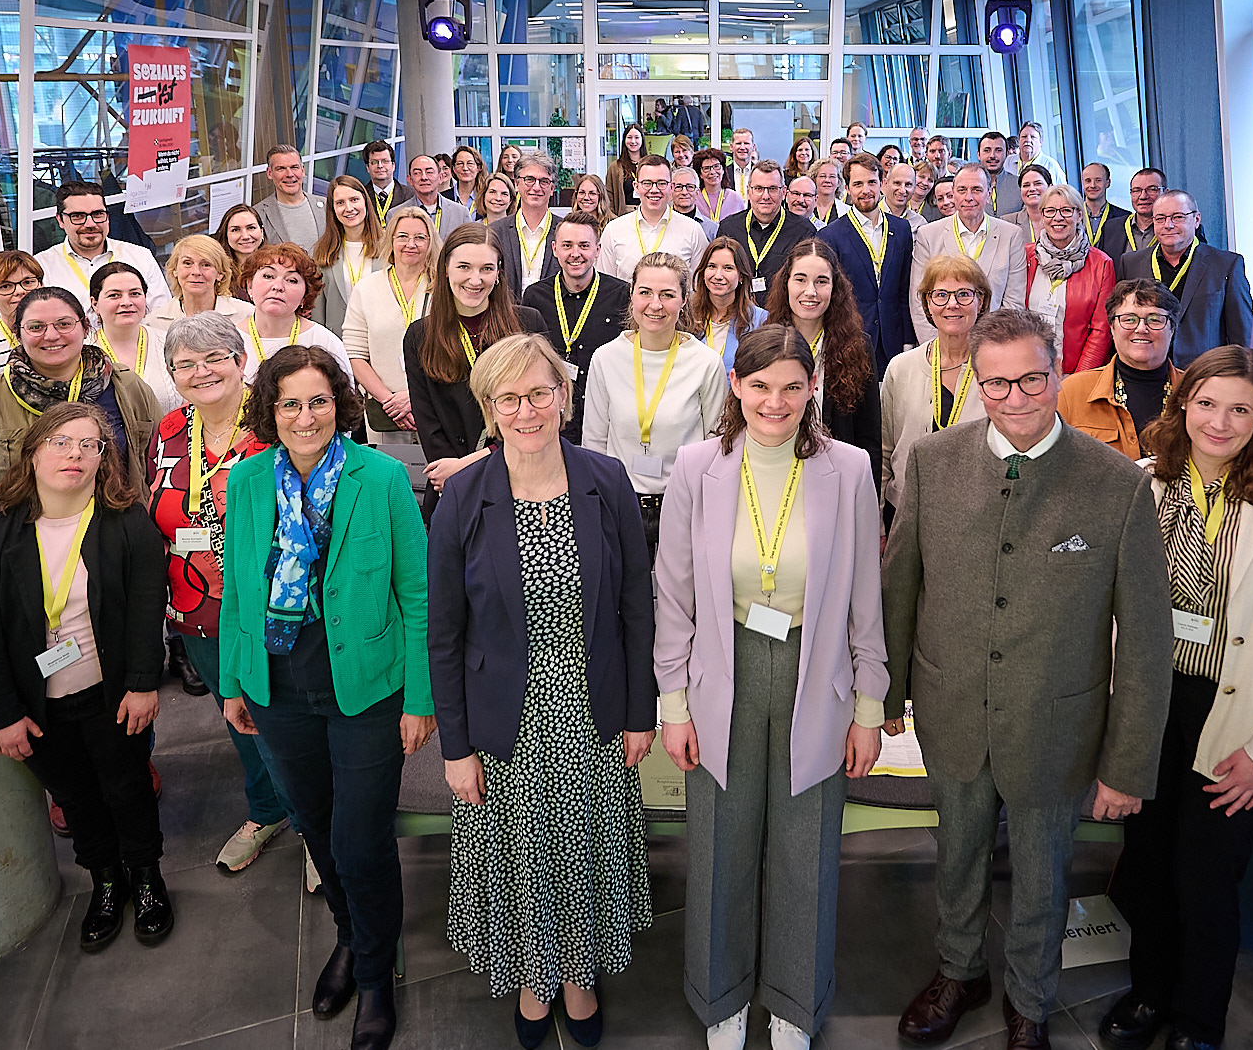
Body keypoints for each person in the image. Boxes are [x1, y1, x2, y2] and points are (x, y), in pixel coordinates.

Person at [884, 306, 1171, 1050]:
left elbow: (1144, 637)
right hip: (952, 705)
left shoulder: (1116, 484)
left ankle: (1030, 1002)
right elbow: (901, 584)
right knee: (959, 854)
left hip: (1057, 721)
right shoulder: (932, 460)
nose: (1016, 398)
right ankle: (958, 970)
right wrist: (884, 698)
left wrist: (1128, 762)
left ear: (1058, 373)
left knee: (1045, 874)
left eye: (1032, 379)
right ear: (975, 381)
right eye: (997, 383)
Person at [1098, 347, 1253, 1050]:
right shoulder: (1141, 484)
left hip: (1236, 714)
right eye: (1206, 402)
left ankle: (1198, 1020)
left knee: (1207, 882)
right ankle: (1149, 992)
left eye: (1239, 407)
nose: (1220, 420)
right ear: (1181, 404)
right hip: (1147, 701)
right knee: (1145, 865)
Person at [654, 326, 888, 1050]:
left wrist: (870, 706)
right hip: (721, 671)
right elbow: (675, 593)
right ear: (735, 386)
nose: (775, 401)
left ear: (812, 387)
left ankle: (793, 996)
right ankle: (721, 993)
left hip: (815, 673)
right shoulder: (698, 465)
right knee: (721, 841)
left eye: (792, 385)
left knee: (805, 845)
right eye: (759, 385)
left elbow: (865, 597)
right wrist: (673, 701)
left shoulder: (847, 467)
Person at [428, 333, 655, 1048]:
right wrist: (456, 747)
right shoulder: (464, 493)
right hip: (507, 717)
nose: (526, 409)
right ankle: (534, 973)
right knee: (525, 852)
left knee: (583, 844)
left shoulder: (606, 478)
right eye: (509, 397)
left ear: (564, 395)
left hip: (592, 703)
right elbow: (444, 631)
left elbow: (635, 606)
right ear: (489, 408)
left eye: (539, 392)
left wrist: (640, 711)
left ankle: (580, 973)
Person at [219, 346, 432, 1046]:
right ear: (270, 411)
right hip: (277, 687)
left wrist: (419, 699)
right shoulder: (247, 480)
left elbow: (418, 592)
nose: (306, 416)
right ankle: (350, 936)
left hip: (367, 687)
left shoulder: (382, 478)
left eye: (318, 401)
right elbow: (239, 588)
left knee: (360, 839)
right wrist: (232, 682)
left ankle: (374, 974)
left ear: (341, 405)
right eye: (290, 403)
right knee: (315, 824)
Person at [0, 401, 172, 953]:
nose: (74, 454)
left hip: (113, 695)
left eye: (89, 445)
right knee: (76, 798)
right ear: (31, 455)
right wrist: (2, 715)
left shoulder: (127, 529)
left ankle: (146, 878)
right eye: (60, 442)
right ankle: (105, 881)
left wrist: (144, 682)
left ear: (104, 461)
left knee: (127, 788)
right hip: (40, 708)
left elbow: (147, 610)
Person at [145, 315, 289, 874]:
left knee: (287, 715)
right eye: (186, 364)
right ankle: (266, 809)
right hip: (196, 606)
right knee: (240, 719)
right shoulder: (170, 431)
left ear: (240, 361)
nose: (201, 372)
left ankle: (314, 824)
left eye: (214, 359)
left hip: (271, 604)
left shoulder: (275, 424)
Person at [582, 252, 728, 554]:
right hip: (621, 503)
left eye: (668, 294)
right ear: (632, 295)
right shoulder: (607, 358)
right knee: (628, 597)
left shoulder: (705, 363)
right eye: (645, 292)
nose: (655, 304)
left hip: (683, 504)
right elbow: (594, 442)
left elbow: (717, 441)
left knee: (679, 599)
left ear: (684, 300)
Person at [402, 223, 550, 512]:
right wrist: (454, 472)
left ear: (499, 273)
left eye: (486, 269)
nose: (475, 279)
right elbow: (428, 422)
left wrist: (468, 465)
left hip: (519, 481)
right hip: (450, 487)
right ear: (445, 269)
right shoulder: (420, 336)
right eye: (464, 267)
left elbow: (540, 413)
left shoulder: (527, 325)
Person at [0, 287, 160, 494]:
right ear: (18, 335)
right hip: (33, 524)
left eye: (64, 324)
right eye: (36, 327)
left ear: (85, 328)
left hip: (122, 519)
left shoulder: (126, 386)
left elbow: (160, 463)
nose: (51, 336)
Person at [762, 238, 882, 495]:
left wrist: (871, 505)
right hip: (775, 480)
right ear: (786, 284)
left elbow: (868, 436)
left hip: (837, 484)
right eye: (801, 279)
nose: (810, 291)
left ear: (835, 287)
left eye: (821, 281)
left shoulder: (857, 346)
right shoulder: (764, 343)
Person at [879, 254, 989, 518]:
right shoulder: (900, 367)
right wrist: (879, 524)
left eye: (964, 294)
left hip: (976, 513)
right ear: (928, 303)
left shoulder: (999, 370)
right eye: (940, 295)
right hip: (906, 511)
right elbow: (884, 452)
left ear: (981, 300)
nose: (952, 304)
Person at [522, 211, 631, 445]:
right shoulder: (535, 297)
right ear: (554, 249)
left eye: (584, 245)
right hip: (551, 418)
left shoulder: (621, 295)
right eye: (567, 245)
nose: (575, 254)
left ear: (597, 250)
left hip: (606, 416)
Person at [1115, 191, 1253, 369]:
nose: (1168, 225)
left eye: (1177, 217)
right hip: (1147, 373)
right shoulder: (1130, 263)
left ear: (1196, 220)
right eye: (1160, 218)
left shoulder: (1226, 265)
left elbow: (1242, 334)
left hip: (1205, 375)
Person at [1058, 281, 1180, 460]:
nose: (1141, 329)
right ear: (1112, 328)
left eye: (1154, 319)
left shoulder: (1196, 393)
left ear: (1172, 328)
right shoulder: (1072, 393)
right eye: (1129, 319)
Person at [343, 208, 436, 442]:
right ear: (391, 240)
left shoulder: (444, 287)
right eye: (402, 236)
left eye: (420, 238)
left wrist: (415, 397)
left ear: (431, 242)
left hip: (436, 405)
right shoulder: (366, 289)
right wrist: (389, 399)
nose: (410, 244)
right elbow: (355, 354)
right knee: (387, 477)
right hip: (385, 410)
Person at [908, 163, 1028, 342]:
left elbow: (1014, 303)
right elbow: (919, 300)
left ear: (989, 194)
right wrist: (938, 348)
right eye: (962, 190)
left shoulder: (1011, 235)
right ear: (953, 194)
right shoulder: (929, 235)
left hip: (993, 344)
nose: (968, 197)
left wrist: (991, 347)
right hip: (943, 346)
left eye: (977, 190)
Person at [819, 154, 915, 376]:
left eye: (871, 182)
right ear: (847, 189)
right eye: (858, 184)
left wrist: (907, 340)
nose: (866, 190)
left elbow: (904, 290)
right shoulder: (830, 235)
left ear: (882, 183)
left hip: (893, 339)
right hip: (850, 338)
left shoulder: (901, 229)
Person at [1020, 183, 1113, 375]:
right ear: (1042, 216)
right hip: (1026, 369)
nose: (1058, 218)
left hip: (1076, 373)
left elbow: (1101, 332)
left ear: (1079, 215)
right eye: (1050, 211)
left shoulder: (1101, 264)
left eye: (1066, 210)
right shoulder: (1024, 257)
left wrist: (1078, 380)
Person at [39, 180, 172, 309]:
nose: (90, 224)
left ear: (107, 216)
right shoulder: (42, 267)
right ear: (60, 220)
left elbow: (160, 317)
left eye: (97, 214)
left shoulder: (141, 257)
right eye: (78, 216)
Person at [234, 245, 353, 382]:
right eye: (268, 276)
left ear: (305, 295)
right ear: (249, 285)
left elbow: (345, 399)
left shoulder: (325, 342)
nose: (278, 286)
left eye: (291, 280)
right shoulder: (229, 341)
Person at [600, 154, 709, 280]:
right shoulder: (614, 230)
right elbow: (606, 285)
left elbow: (699, 287)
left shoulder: (692, 230)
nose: (654, 190)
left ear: (671, 187)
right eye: (647, 183)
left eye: (661, 183)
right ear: (636, 187)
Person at [89, 262, 179, 414]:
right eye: (114, 295)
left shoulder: (170, 344)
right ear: (95, 303)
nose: (126, 302)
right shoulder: (82, 350)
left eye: (135, 294)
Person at [716, 161, 810, 297]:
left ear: (783, 192)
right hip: (738, 312)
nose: (765, 196)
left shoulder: (803, 231)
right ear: (748, 192)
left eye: (772, 189)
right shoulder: (729, 228)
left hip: (783, 314)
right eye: (758, 188)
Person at [313, 175, 387, 337]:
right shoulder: (323, 250)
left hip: (380, 340)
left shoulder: (389, 245)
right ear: (332, 210)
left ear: (365, 202)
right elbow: (318, 310)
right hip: (337, 342)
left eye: (354, 199)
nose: (348, 208)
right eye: (340, 203)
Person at [690, 237, 768, 374]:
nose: (718, 275)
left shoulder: (760, 320)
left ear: (741, 276)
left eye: (728, 268)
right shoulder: (687, 317)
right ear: (702, 272)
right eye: (712, 266)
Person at [490, 153, 562, 297]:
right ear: (516, 184)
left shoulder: (564, 231)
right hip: (507, 314)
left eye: (544, 181)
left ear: (552, 189)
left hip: (551, 316)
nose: (536, 187)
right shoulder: (495, 232)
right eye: (529, 180)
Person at [149, 234, 246, 333]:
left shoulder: (247, 315)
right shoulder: (154, 322)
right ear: (175, 270)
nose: (196, 272)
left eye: (206, 265)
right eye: (187, 263)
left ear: (220, 273)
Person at [0, 249, 44, 380]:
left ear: (42, 285)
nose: (20, 291)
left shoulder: (66, 332)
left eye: (28, 282)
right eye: (6, 286)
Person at [256, 144, 328, 251]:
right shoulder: (258, 214)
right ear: (270, 173)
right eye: (281, 169)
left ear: (302, 170)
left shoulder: (326, 206)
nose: (289, 174)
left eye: (294, 167)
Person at [404, 153, 472, 244]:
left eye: (429, 172)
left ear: (440, 177)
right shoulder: (396, 214)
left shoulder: (461, 213)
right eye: (417, 173)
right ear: (410, 179)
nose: (424, 177)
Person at [1082, 163, 1132, 262]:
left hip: (1113, 273)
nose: (1092, 185)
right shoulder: (1071, 216)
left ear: (1108, 183)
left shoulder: (1125, 218)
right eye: (1088, 181)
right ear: (1083, 183)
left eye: (1098, 180)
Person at [692, 146, 748, 227]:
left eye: (716, 166)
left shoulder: (735, 198)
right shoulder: (695, 199)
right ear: (700, 174)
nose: (712, 172)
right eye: (706, 168)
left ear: (723, 169)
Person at [362, 138, 411, 224]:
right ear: (367, 168)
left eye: (385, 161)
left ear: (393, 165)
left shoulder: (410, 195)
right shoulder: (360, 196)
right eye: (374, 162)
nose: (380, 166)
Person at [974, 131, 1021, 217]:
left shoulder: (1020, 185)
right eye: (987, 150)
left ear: (1007, 154)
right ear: (978, 154)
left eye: (998, 150)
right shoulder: (968, 186)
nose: (992, 155)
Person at [605, 123, 650, 214]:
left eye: (637, 137)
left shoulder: (650, 166)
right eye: (629, 137)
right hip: (624, 213)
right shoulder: (615, 167)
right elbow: (609, 195)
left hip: (648, 212)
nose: (633, 141)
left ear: (642, 140)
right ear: (624, 140)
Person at [216, 203, 268, 271]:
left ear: (262, 231)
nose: (245, 236)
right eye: (235, 230)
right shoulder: (217, 271)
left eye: (251, 228)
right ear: (225, 235)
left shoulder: (277, 265)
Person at [671, 167, 714, 238]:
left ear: (697, 193)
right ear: (670, 192)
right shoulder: (661, 225)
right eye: (678, 187)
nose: (684, 192)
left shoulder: (711, 228)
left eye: (690, 187)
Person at [1011, 163, 1052, 236]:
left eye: (1038, 184)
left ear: (1050, 187)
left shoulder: (1063, 219)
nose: (1032, 189)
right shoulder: (1008, 222)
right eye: (1026, 185)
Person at [447, 145, 488, 215]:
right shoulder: (443, 198)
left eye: (470, 163)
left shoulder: (486, 197)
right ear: (454, 169)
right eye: (460, 164)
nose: (465, 168)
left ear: (478, 168)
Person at [884, 161, 924, 227]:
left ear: (914, 188)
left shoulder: (919, 223)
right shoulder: (870, 214)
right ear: (885, 184)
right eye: (897, 183)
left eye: (908, 184)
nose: (902, 190)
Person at [806, 158, 843, 226]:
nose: (827, 180)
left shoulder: (847, 210)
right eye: (822, 176)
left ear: (839, 182)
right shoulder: (805, 207)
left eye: (832, 176)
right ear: (814, 180)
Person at [724, 127, 759, 192]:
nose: (742, 147)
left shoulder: (760, 174)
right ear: (731, 147)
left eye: (746, 143)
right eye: (738, 143)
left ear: (753, 147)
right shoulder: (723, 174)